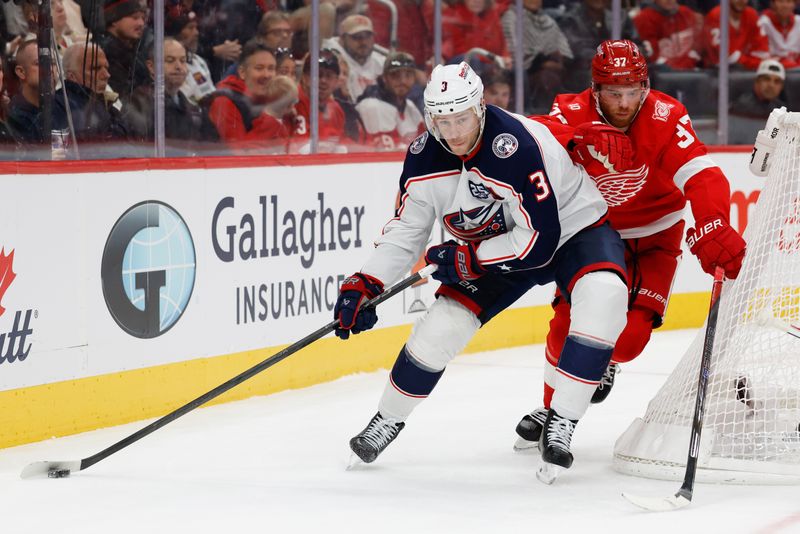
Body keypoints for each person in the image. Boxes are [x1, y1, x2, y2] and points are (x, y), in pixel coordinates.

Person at [336, 61, 632, 480]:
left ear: (480, 107)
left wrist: (469, 259)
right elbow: (407, 230)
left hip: (572, 231)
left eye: (461, 118)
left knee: (605, 296)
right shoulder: (423, 158)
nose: (454, 132)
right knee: (441, 327)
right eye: (443, 120)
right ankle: (387, 418)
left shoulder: (517, 146)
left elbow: (539, 240)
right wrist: (365, 282)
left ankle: (562, 421)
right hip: (500, 245)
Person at [513, 40, 747, 450]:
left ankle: (604, 364)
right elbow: (529, 134)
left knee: (629, 342)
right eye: (613, 93)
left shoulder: (664, 114)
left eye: (633, 91)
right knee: (563, 332)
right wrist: (576, 137)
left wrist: (713, 220)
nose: (624, 103)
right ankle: (553, 411)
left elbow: (703, 173)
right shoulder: (570, 109)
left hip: (658, 235)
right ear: (594, 88)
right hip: (594, 234)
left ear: (645, 85)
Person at [206, 40, 279, 152]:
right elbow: (239, 155)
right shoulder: (224, 102)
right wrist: (270, 120)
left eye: (271, 68)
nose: (266, 75)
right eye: (259, 68)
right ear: (242, 72)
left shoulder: (273, 99)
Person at [500, 0, 572, 111]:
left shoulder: (548, 21)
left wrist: (557, 59)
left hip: (554, 70)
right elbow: (514, 54)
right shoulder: (511, 17)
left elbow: (564, 51)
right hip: (524, 73)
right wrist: (542, 63)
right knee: (547, 79)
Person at [355, 51, 424, 151]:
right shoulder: (372, 106)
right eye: (395, 75)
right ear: (384, 78)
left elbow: (424, 144)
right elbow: (383, 154)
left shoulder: (410, 106)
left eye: (408, 75)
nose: (403, 81)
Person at [322, 14, 385, 103]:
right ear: (342, 38)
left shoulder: (380, 62)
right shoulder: (331, 57)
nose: (363, 42)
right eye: (357, 37)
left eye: (368, 36)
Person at [100, 0, 149, 98]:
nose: (141, 23)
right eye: (135, 17)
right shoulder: (104, 53)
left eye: (143, 18)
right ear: (114, 20)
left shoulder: (133, 51)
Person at [634, 0, 703, 70]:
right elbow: (652, 57)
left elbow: (698, 45)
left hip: (692, 71)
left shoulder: (686, 12)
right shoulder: (644, 18)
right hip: (662, 74)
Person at [702, 0, 770, 70]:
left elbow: (762, 53)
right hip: (716, 73)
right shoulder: (715, 16)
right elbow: (727, 56)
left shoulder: (752, 15)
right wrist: (752, 62)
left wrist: (750, 62)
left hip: (747, 71)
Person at [758, 0, 800, 69]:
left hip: (797, 71)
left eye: (789, 2)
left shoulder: (798, 22)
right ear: (773, 4)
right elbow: (762, 55)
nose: (785, 6)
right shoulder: (763, 23)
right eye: (781, 1)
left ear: (794, 5)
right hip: (772, 70)